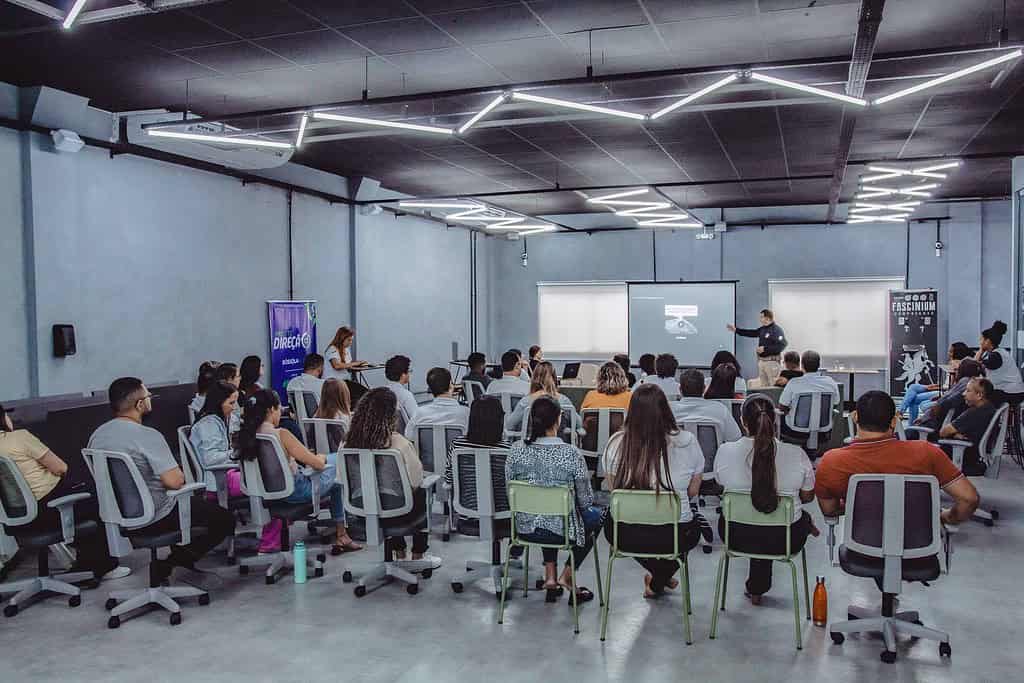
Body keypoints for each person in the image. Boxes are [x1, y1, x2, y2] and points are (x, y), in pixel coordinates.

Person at [87, 377, 235, 582]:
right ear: (139, 404)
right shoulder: (147, 435)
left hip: (116, 517)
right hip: (158, 515)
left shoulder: (97, 435)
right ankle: (174, 561)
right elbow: (174, 482)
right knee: (225, 520)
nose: (150, 400)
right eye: (148, 396)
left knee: (193, 508)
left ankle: (173, 562)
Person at [816, 390, 979, 527]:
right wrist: (946, 517)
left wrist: (861, 504)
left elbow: (829, 509)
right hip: (920, 553)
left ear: (855, 417)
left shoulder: (831, 461)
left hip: (861, 553)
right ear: (894, 421)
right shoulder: (927, 453)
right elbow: (969, 499)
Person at [600, 385, 704, 598]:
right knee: (690, 533)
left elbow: (614, 491)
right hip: (675, 533)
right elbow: (693, 491)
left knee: (618, 528)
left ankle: (657, 580)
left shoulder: (615, 443)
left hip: (625, 533)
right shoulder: (687, 442)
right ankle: (660, 578)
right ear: (666, 409)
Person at [0, 405, 124, 582]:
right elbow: (60, 467)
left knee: (80, 497)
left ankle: (86, 563)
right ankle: (104, 567)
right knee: (95, 497)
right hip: (46, 511)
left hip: (15, 520)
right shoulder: (19, 437)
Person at [714, 395, 817, 605]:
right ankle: (757, 587)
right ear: (774, 421)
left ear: (743, 422)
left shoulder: (725, 452)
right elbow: (807, 497)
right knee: (786, 515)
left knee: (756, 515)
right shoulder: (796, 454)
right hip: (785, 538)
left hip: (735, 535)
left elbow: (719, 482)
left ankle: (756, 588)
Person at [236, 389, 361, 555]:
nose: (281, 412)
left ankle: (342, 535)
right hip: (297, 491)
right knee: (340, 460)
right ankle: (350, 525)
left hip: (262, 493)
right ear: (271, 410)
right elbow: (316, 464)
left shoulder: (245, 436)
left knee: (336, 484)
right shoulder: (281, 434)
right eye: (279, 408)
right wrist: (322, 457)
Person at [506, 396, 603, 604]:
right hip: (563, 531)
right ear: (559, 419)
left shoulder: (515, 450)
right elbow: (585, 501)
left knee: (544, 509)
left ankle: (550, 577)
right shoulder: (571, 453)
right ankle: (567, 574)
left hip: (524, 528)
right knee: (596, 516)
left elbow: (509, 490)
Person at [344, 387, 441, 569]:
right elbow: (416, 481)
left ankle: (398, 551)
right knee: (421, 491)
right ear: (391, 415)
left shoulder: (347, 443)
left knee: (390, 496)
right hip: (399, 515)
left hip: (360, 512)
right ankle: (418, 554)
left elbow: (342, 481)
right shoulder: (400, 444)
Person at [189, 381, 281, 553]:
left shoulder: (223, 420)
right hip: (218, 480)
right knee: (269, 482)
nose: (234, 407)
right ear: (218, 402)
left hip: (228, 474)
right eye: (231, 403)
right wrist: (237, 453)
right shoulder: (209, 424)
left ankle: (271, 537)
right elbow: (210, 458)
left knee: (268, 477)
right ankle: (269, 541)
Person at [445, 395, 512, 515]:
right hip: (503, 515)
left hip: (467, 514)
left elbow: (448, 480)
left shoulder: (457, 446)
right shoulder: (507, 449)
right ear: (499, 420)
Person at [777, 350, 840, 443]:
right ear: (819, 365)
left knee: (778, 417)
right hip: (823, 432)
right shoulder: (830, 382)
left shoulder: (794, 382)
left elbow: (782, 407)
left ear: (802, 365)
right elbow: (835, 404)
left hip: (796, 431)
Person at [900, 342, 971, 422]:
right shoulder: (953, 362)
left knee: (913, 399)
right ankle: (901, 413)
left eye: (951, 351)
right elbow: (946, 384)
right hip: (942, 388)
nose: (948, 353)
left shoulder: (958, 366)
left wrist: (934, 387)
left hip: (944, 392)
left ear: (957, 352)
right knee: (913, 387)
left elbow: (950, 388)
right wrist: (933, 386)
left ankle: (904, 417)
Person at [939, 377, 997, 475]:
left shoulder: (974, 413)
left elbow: (943, 432)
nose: (963, 394)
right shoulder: (989, 408)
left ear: (979, 395)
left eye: (968, 391)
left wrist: (954, 434)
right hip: (976, 457)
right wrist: (956, 434)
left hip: (964, 458)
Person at [505, 362, 580, 435]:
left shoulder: (526, 401)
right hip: (559, 443)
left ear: (534, 379)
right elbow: (578, 424)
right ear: (554, 379)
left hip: (530, 444)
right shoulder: (563, 400)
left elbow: (509, 426)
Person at [914, 358, 985, 431]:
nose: (964, 393)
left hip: (937, 424)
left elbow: (945, 401)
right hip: (940, 420)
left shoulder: (965, 382)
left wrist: (924, 418)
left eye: (958, 369)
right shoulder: (971, 382)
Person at [672, 369, 742, 442]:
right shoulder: (720, 409)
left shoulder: (668, 410)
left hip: (677, 453)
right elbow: (735, 437)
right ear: (704, 388)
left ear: (680, 389)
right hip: (714, 454)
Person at [727, 309, 788, 387]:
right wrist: (736, 330)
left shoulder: (776, 330)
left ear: (768, 318)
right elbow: (752, 333)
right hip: (762, 362)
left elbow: (783, 345)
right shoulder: (763, 329)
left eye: (761, 317)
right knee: (764, 386)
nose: (760, 319)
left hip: (772, 362)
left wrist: (765, 349)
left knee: (773, 385)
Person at [405, 367, 470, 440]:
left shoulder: (419, 413)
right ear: (450, 386)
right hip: (457, 451)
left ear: (430, 389)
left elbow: (408, 436)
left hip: (426, 452)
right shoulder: (466, 413)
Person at [384, 355, 419, 428]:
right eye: (409, 371)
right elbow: (417, 421)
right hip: (406, 436)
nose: (410, 374)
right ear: (403, 375)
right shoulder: (406, 395)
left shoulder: (383, 392)